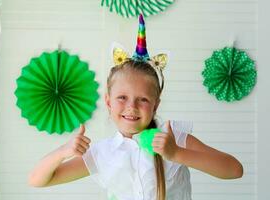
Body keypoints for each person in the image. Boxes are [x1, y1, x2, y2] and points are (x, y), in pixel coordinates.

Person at [28, 15, 243, 200]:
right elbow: (38, 180)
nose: (131, 106)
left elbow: (234, 170)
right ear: (109, 102)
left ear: (156, 105)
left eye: (143, 99)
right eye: (122, 97)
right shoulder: (103, 154)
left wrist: (177, 154)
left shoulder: (175, 138)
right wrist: (64, 151)